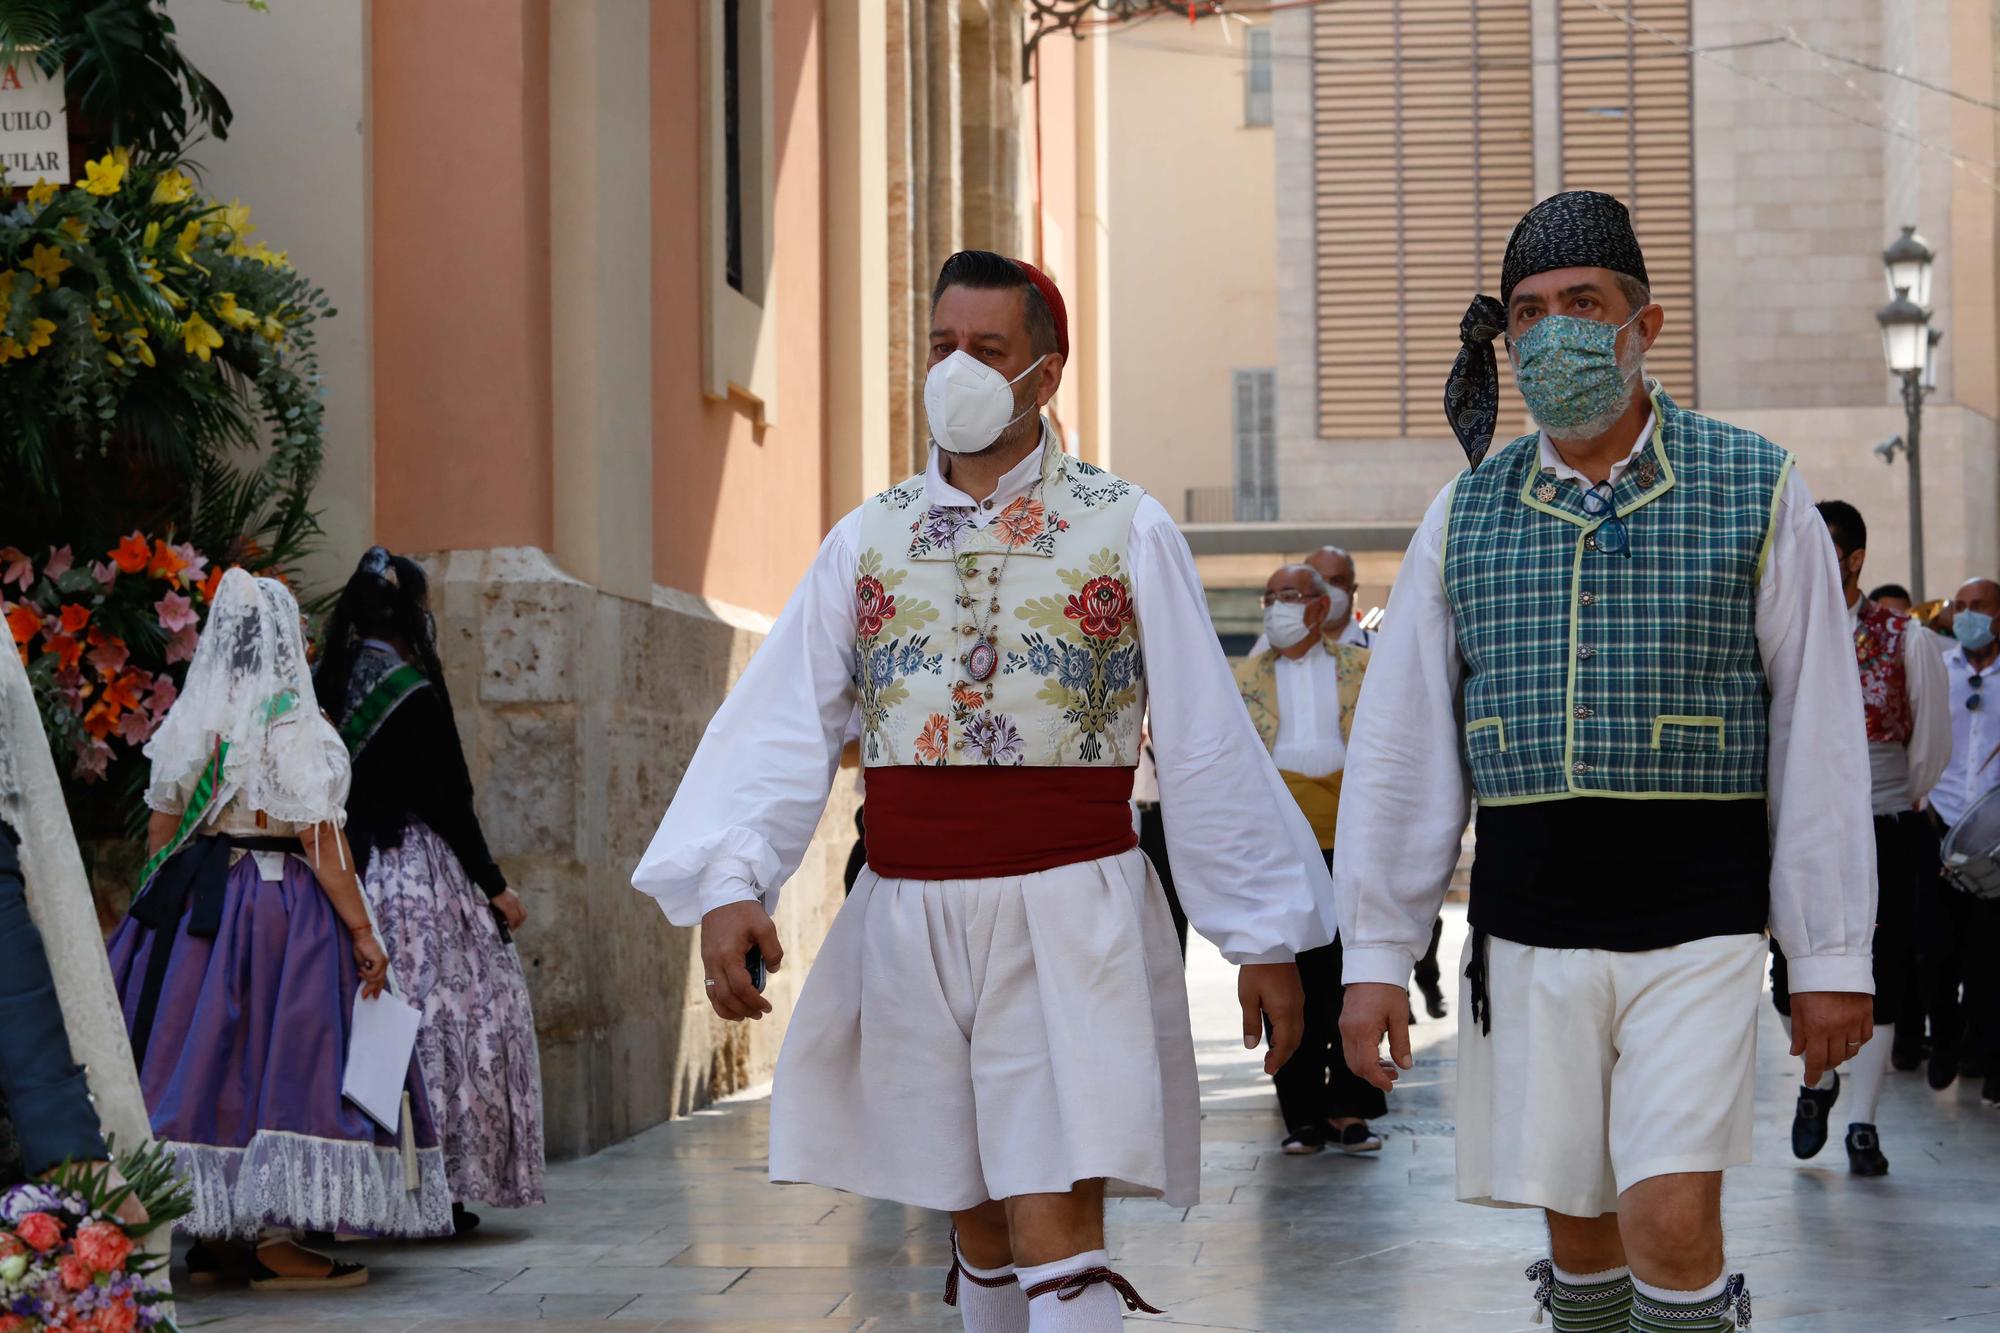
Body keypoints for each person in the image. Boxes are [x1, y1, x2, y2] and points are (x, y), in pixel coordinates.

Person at [633, 250, 1329, 1333]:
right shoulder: (865, 537)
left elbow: (1201, 739)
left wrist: (1263, 932)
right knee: (972, 1218)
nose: (955, 368)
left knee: (1054, 1207)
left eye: (987, 350)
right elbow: (783, 724)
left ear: (1041, 376)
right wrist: (733, 876)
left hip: (1070, 908)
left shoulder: (1123, 523)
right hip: (909, 914)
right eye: (942, 346)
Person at [1334, 191, 1874, 1331]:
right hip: (1528, 926)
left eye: (1582, 303)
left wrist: (1828, 950)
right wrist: (1378, 950)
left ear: (1645, 325)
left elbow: (1817, 737)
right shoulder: (1464, 514)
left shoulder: (1753, 487)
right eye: (1527, 313)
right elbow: (1401, 754)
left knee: (1669, 1222)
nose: (1552, 333)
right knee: (1576, 1232)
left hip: (1699, 924)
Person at [106, 570, 451, 1290]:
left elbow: (161, 833)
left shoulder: (195, 717)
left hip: (196, 910)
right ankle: (277, 1238)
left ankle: (213, 1236)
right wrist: (363, 931)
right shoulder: (292, 722)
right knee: (283, 1061)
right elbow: (322, 841)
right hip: (279, 909)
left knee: (204, 1065)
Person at [314, 549, 547, 1230]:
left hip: (340, 875)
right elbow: (450, 800)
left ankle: (358, 1185)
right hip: (415, 878)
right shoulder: (412, 690)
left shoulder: (325, 685)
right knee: (450, 1017)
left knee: (358, 1023)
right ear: (413, 617)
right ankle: (433, 1187)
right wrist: (495, 886)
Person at [1767, 502, 1946, 1174]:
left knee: (1887, 970)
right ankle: (1817, 1082)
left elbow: (1928, 746)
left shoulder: (1906, 638)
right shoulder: (1781, 628)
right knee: (1790, 973)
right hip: (1796, 823)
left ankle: (1863, 1122)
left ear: (1855, 558)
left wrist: (1887, 798)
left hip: (1883, 820)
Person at [1235, 563, 1384, 1155]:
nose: (1276, 606)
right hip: (1278, 849)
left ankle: (1351, 1106)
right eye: (1268, 595)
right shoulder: (1244, 678)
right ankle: (1300, 1113)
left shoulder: (1364, 670)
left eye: (1288, 595)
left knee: (1353, 975)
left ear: (1321, 609)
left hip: (1353, 841)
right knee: (1290, 975)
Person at [1921, 577, 2000, 1104]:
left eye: (1980, 608)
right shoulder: (1936, 671)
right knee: (1934, 950)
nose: (1967, 615)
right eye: (1961, 607)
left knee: (1989, 957)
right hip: (1937, 823)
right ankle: (1942, 1038)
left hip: (1993, 835)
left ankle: (1990, 1055)